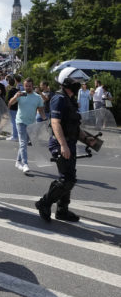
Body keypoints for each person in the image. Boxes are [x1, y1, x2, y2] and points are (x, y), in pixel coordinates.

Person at [35, 67, 90, 222]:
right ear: (66, 82)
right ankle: (44, 203)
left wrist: (87, 138)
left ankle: (62, 210)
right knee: (67, 180)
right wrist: (63, 145)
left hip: (69, 142)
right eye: (76, 81)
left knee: (68, 178)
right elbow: (55, 123)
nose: (78, 84)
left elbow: (73, 125)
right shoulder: (58, 99)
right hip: (60, 143)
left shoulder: (70, 100)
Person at [8, 78, 45, 175]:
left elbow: (41, 110)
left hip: (31, 123)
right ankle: (25, 164)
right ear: (24, 86)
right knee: (23, 143)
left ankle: (18, 161)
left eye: (29, 85)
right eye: (26, 86)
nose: (28, 87)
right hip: (20, 122)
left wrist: (46, 120)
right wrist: (16, 97)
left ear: (33, 86)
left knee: (24, 143)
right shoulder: (20, 94)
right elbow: (10, 103)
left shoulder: (37, 97)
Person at [6, 76, 19, 141]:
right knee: (15, 122)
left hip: (12, 108)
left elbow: (9, 101)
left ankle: (14, 136)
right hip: (17, 108)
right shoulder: (17, 90)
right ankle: (15, 135)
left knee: (13, 122)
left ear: (9, 83)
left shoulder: (10, 91)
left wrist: (8, 108)